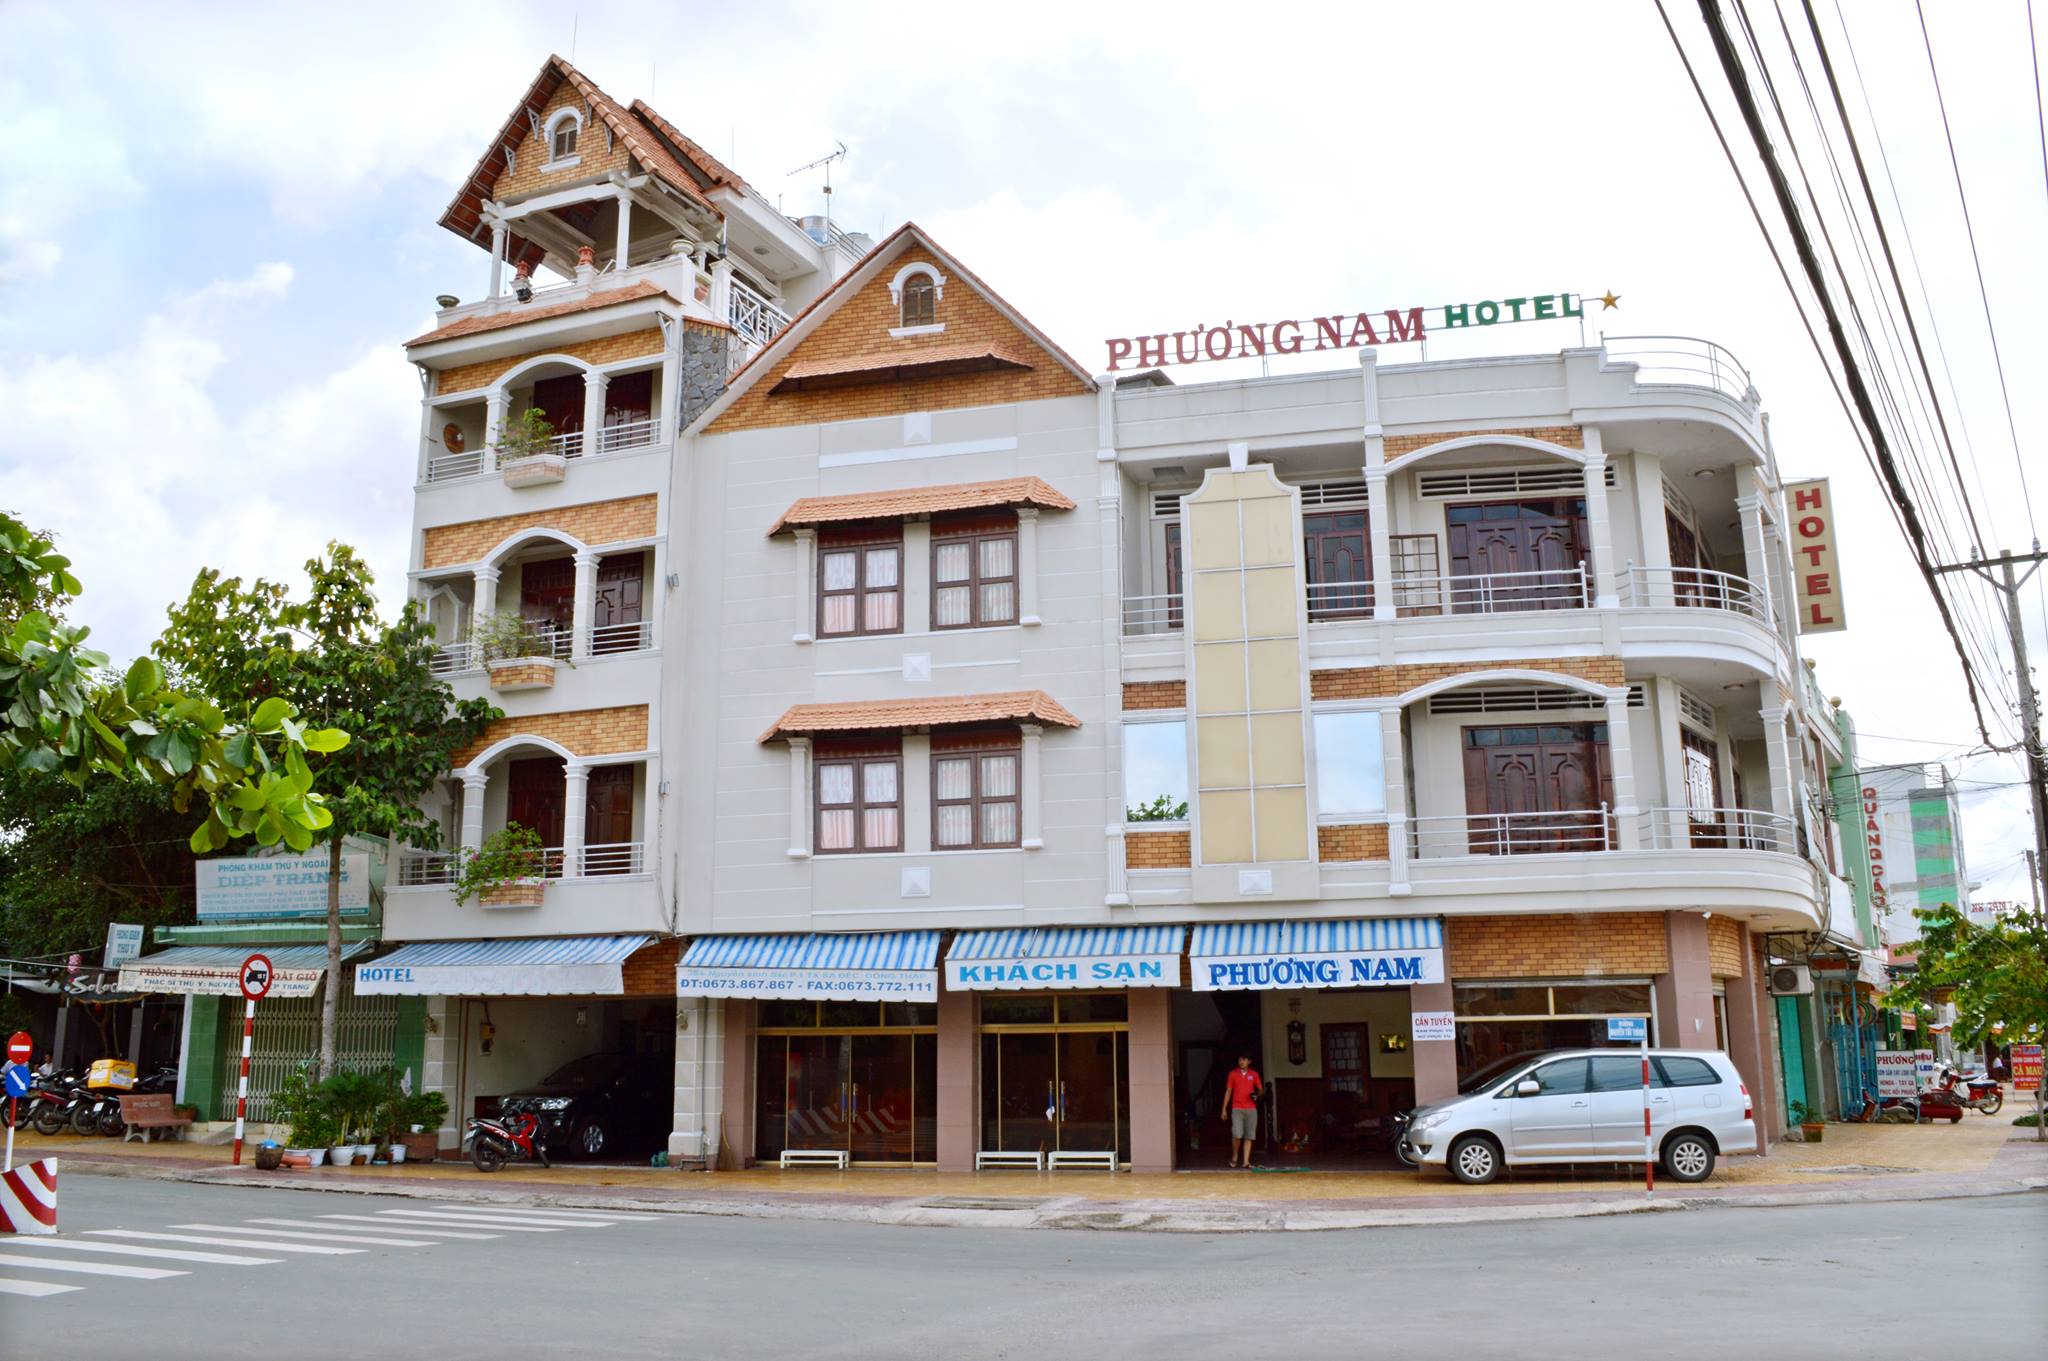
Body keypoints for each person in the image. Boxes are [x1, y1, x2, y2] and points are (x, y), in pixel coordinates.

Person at [1220, 1053, 1264, 1169]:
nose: (1241, 1062)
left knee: (1249, 1136)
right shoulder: (1233, 1074)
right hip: (1237, 1108)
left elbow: (1261, 1089)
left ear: (1249, 1061)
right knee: (1237, 1134)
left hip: (1251, 1109)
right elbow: (1228, 1091)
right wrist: (1224, 1109)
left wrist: (1257, 1095)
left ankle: (1246, 1161)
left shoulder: (1254, 1074)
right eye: (1240, 1059)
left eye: (1244, 1059)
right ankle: (1235, 1156)